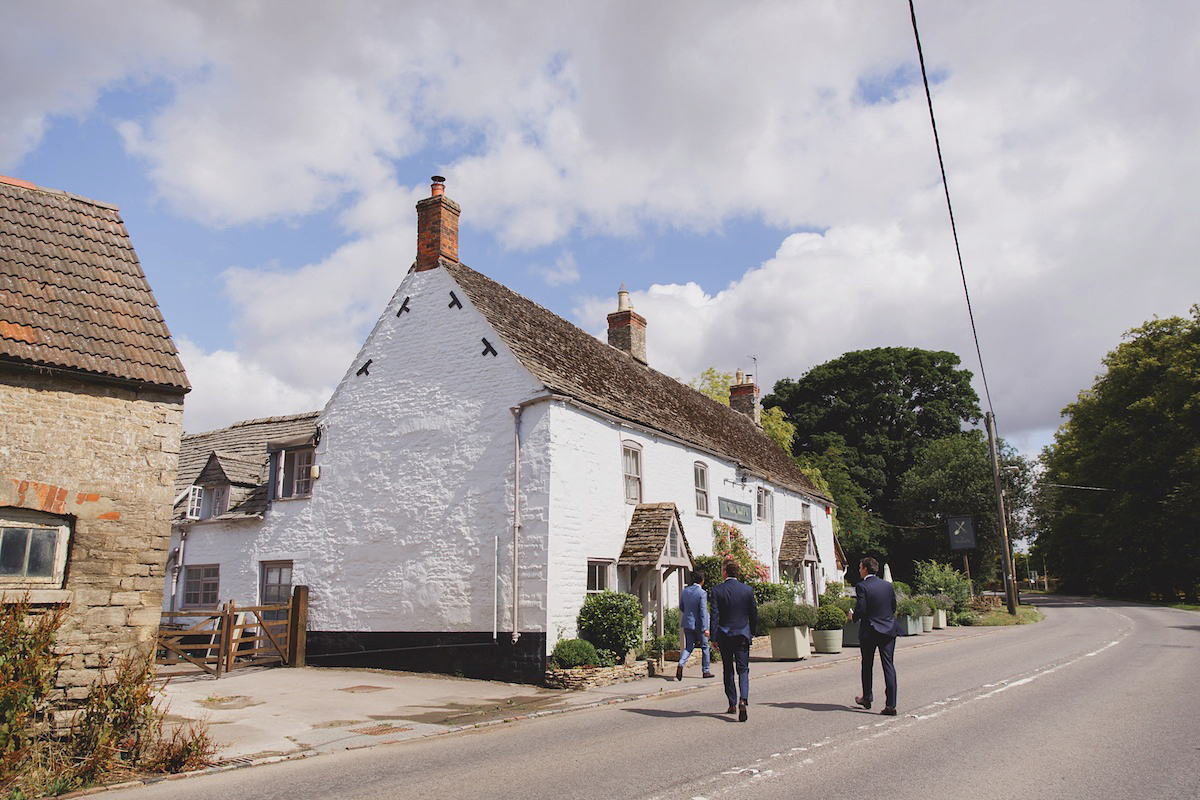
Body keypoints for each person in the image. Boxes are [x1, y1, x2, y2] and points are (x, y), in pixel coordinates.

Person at [848, 556, 904, 716]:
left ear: (865, 569)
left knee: (867, 664)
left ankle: (867, 697)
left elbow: (861, 609)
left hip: (870, 630)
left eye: (860, 567)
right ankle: (891, 705)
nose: (859, 570)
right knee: (888, 665)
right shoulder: (887, 586)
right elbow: (893, 606)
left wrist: (853, 617)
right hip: (888, 629)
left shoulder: (862, 586)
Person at [711, 560, 757, 721]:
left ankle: (731, 703)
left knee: (728, 669)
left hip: (724, 634)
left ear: (725, 572)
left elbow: (715, 615)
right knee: (743, 669)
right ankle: (743, 699)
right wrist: (752, 632)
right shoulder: (747, 590)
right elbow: (753, 614)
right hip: (742, 634)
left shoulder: (717, 590)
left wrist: (714, 638)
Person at [676, 569, 714, 680]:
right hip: (700, 625)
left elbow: (681, 607)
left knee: (688, 647)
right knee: (705, 647)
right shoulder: (702, 593)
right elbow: (703, 611)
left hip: (688, 623)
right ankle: (706, 671)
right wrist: (706, 628)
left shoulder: (685, 591)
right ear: (702, 580)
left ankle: (681, 663)